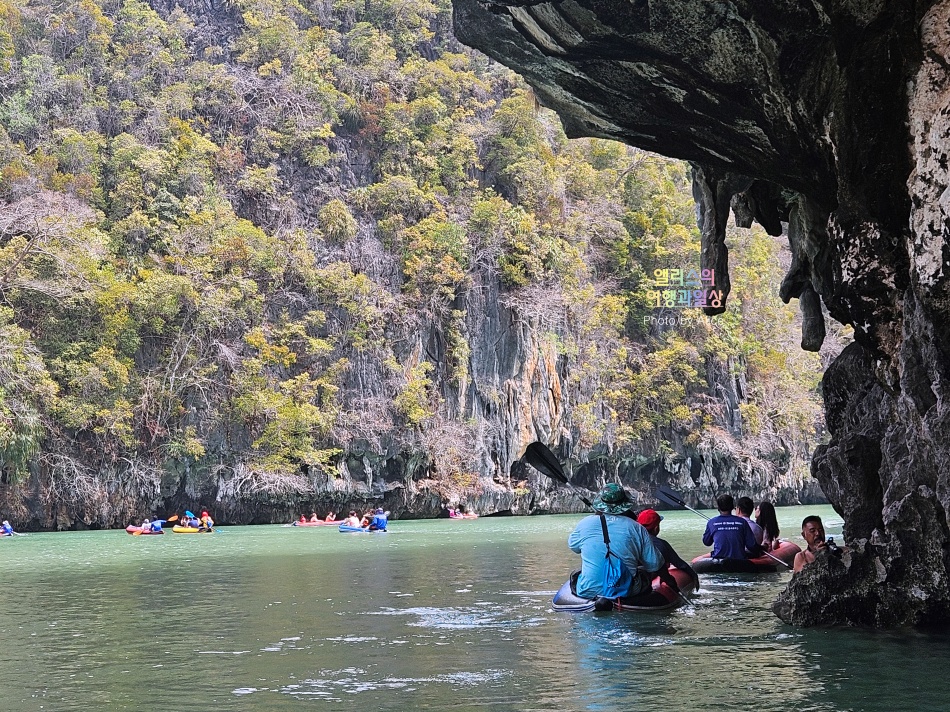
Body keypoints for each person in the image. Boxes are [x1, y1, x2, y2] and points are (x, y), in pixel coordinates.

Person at [567, 483, 665, 609]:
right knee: (643, 574)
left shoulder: (584, 523)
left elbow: (574, 547)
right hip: (627, 591)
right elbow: (654, 564)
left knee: (575, 574)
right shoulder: (637, 528)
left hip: (588, 590)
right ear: (624, 505)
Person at [636, 509, 699, 591]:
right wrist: (694, 576)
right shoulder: (662, 544)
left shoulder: (630, 542)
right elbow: (680, 564)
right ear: (656, 528)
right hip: (648, 579)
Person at [702, 494, 762, 561]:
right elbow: (751, 546)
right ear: (732, 507)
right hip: (739, 561)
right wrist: (762, 549)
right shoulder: (742, 522)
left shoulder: (711, 522)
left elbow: (707, 542)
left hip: (718, 560)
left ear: (718, 508)